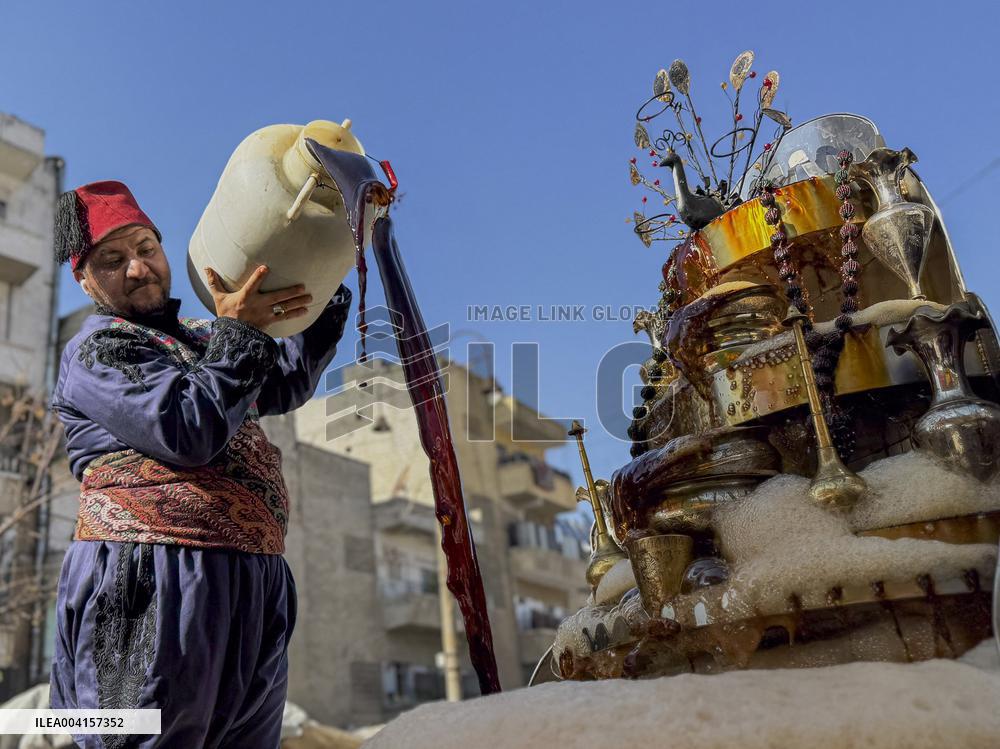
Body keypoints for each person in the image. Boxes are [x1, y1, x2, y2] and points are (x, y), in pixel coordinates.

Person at [48, 180, 352, 748]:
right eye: (113, 260)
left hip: (252, 586)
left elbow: (282, 381)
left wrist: (330, 255)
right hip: (146, 586)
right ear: (84, 279)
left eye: (146, 248)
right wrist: (239, 332)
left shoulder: (202, 338)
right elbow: (188, 429)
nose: (139, 269)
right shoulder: (97, 349)